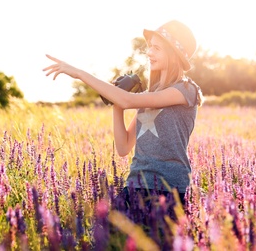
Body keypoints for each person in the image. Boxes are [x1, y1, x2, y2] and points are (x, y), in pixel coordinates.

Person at [43, 20, 204, 213]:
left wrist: (79, 73)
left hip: (168, 189)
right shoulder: (148, 96)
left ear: (173, 54)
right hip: (135, 186)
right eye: (149, 47)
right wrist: (114, 101)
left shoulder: (185, 90)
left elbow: (128, 100)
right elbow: (123, 146)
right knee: (113, 242)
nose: (149, 53)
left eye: (157, 48)